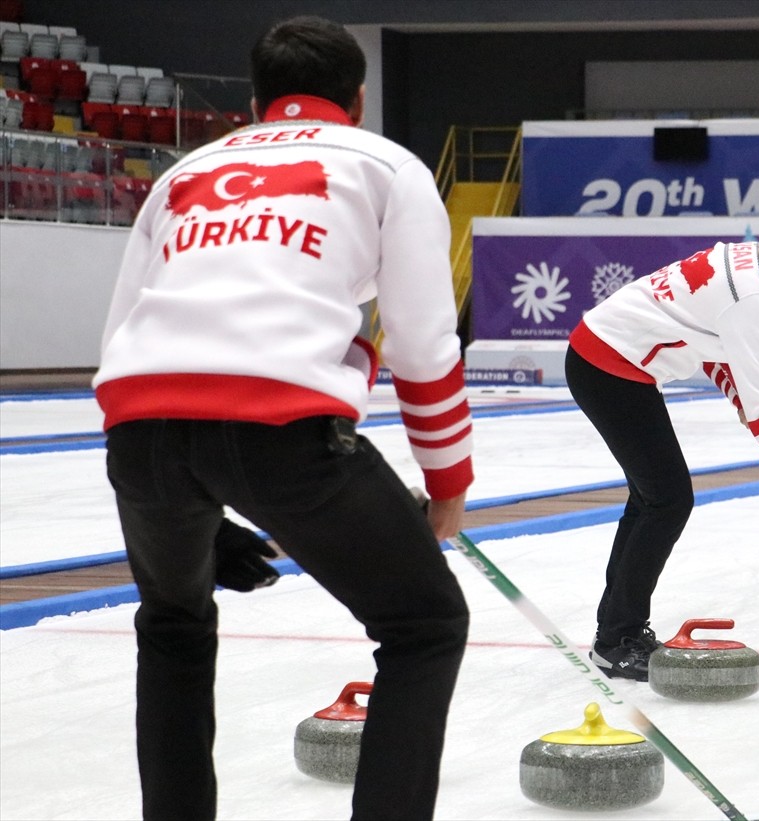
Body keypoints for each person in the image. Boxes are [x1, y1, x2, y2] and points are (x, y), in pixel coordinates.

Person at [92, 17, 473, 820]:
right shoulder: (387, 166)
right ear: (359, 99)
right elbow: (423, 341)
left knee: (173, 622)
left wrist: (192, 507)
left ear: (258, 102)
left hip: (142, 433)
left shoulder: (184, 173)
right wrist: (448, 481)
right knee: (427, 622)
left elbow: (125, 337)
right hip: (282, 431)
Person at [564, 191, 759, 681]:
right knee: (667, 501)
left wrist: (742, 396)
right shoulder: (756, 300)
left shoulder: (752, 263)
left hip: (605, 356)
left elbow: (714, 349)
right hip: (610, 366)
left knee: (652, 500)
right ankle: (616, 639)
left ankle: (617, 631)